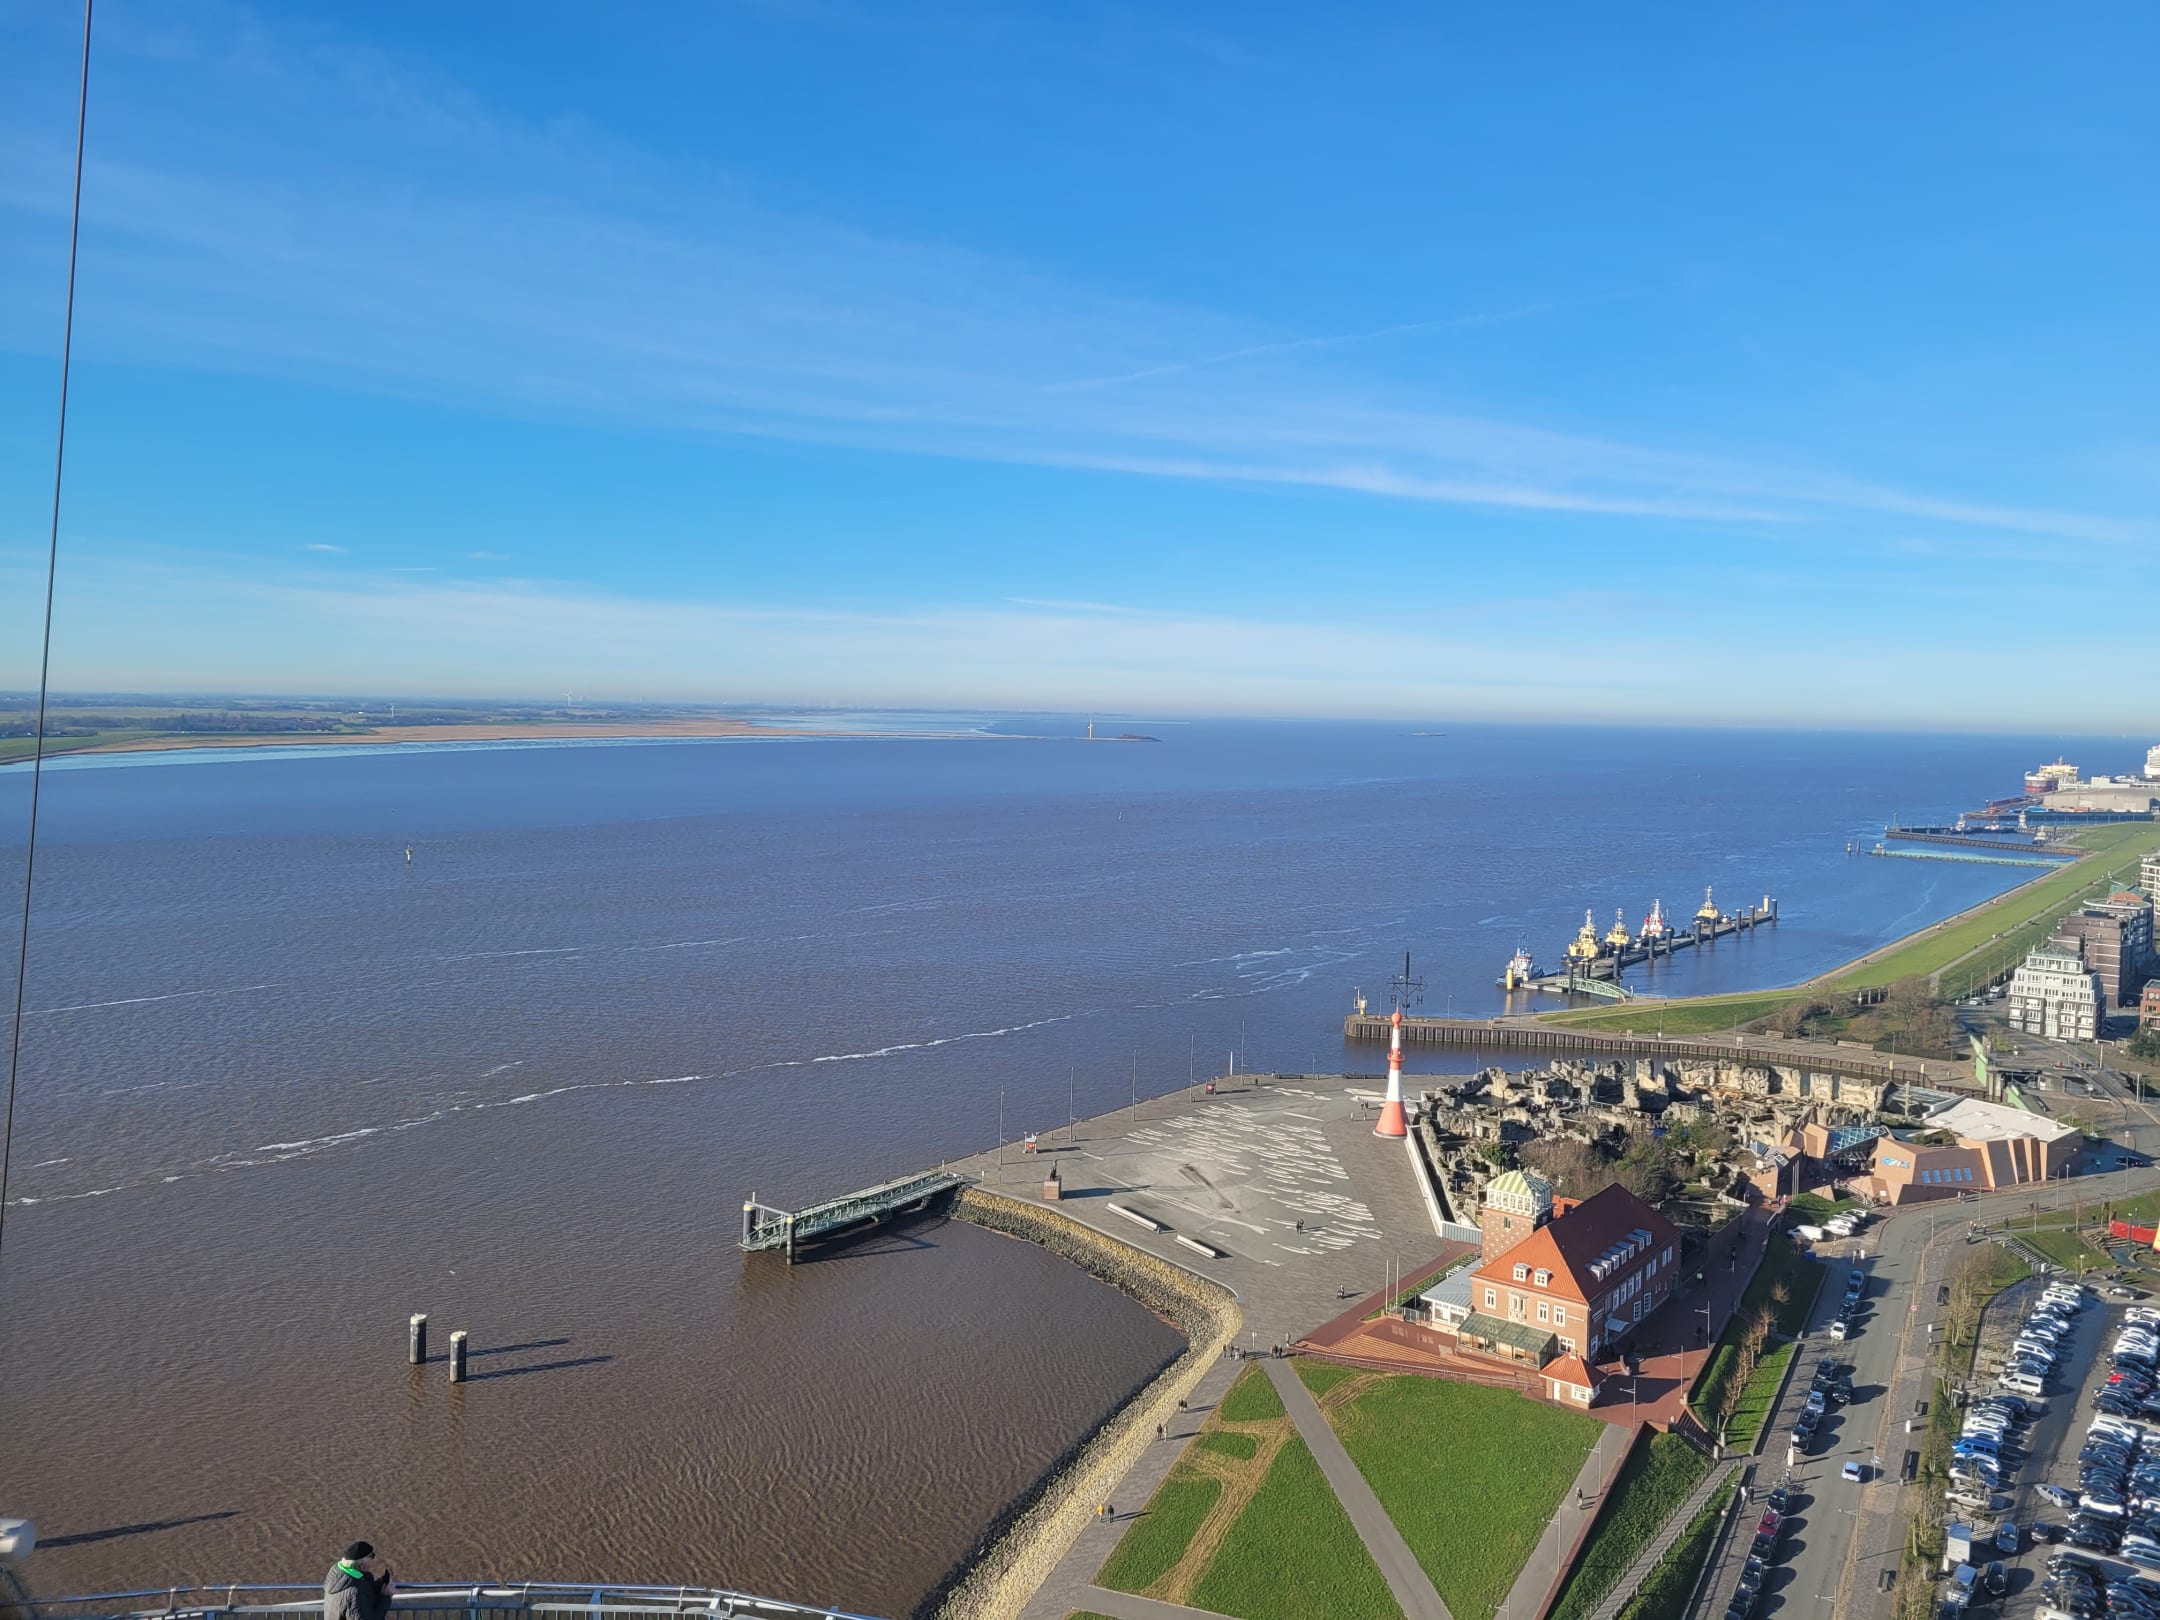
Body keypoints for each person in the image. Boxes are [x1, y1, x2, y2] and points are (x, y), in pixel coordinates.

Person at [325, 1542, 393, 1620]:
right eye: (371, 1556)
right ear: (361, 1564)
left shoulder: (338, 1576)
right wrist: (385, 1598)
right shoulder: (355, 1593)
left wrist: (379, 1585)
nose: (374, 1559)